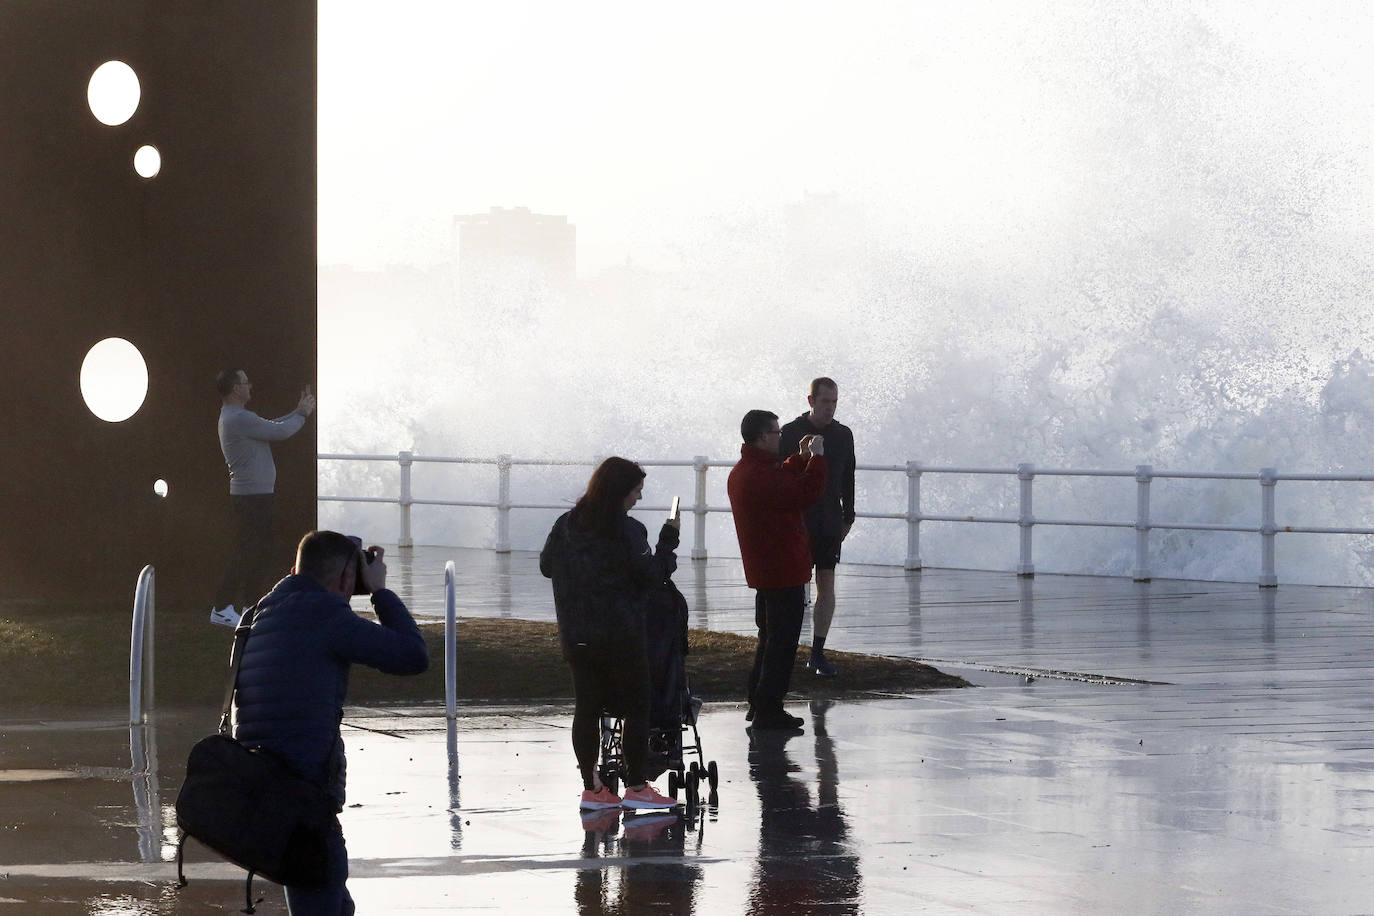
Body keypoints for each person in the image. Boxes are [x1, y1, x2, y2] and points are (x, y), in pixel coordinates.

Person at [232, 530, 429, 915]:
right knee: (322, 900)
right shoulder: (324, 615)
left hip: (264, 786)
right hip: (304, 792)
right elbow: (412, 655)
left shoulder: (260, 612)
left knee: (326, 898)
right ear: (344, 578)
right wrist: (379, 591)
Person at [540, 456, 681, 811]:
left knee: (585, 708)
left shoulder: (566, 524)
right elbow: (653, 575)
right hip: (620, 635)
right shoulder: (627, 530)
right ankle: (636, 788)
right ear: (620, 492)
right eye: (636, 491)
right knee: (637, 706)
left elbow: (546, 566)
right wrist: (669, 540)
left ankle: (592, 789)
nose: (639, 499)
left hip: (576, 634)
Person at [727, 410, 827, 731]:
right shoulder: (759, 474)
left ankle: (759, 703)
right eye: (775, 431)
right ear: (761, 437)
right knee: (781, 645)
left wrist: (799, 459)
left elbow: (782, 484)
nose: (779, 435)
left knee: (769, 639)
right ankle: (769, 710)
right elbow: (802, 493)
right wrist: (817, 460)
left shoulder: (747, 470)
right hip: (782, 569)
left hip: (767, 571)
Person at [211, 368, 315, 626]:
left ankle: (251, 605)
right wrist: (301, 413)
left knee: (259, 551)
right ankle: (221, 608)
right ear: (236, 388)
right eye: (246, 382)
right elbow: (279, 432)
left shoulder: (239, 417)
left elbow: (271, 426)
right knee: (247, 552)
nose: (251, 386)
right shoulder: (237, 418)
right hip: (251, 499)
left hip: (257, 496)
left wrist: (298, 410)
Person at [779, 377, 856, 677]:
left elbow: (848, 475)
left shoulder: (843, 434)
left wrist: (848, 516)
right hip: (798, 519)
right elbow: (780, 476)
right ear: (811, 401)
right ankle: (786, 648)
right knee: (795, 585)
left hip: (828, 519)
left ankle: (817, 652)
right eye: (825, 402)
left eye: (834, 402)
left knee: (826, 582)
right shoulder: (790, 432)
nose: (830, 408)